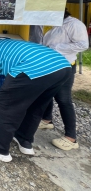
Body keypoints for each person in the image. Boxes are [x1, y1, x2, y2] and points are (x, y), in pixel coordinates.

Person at [0, 39, 71, 162]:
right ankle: (24, 140)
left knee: (4, 102)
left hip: (34, 66)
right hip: (63, 66)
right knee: (35, 105)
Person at [38, 8, 89, 150]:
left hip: (64, 67)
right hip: (50, 66)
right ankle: (47, 120)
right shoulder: (53, 25)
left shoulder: (74, 24)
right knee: (46, 94)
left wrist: (56, 47)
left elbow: (83, 45)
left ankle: (71, 138)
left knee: (63, 100)